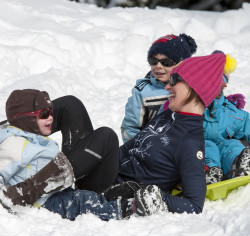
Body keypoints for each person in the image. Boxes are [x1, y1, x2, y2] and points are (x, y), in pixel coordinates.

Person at [0, 52, 236, 220]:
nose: (167, 86)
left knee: (106, 136)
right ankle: (9, 134)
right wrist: (91, 158)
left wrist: (155, 196)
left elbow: (194, 205)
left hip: (106, 188)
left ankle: (27, 192)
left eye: (175, 81)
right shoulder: (169, 116)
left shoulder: (190, 143)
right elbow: (131, 148)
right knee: (70, 105)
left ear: (195, 88)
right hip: (95, 170)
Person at [0, 89, 166, 220]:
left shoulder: (28, 139)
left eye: (51, 111)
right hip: (44, 201)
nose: (51, 117)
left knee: (71, 103)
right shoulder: (14, 145)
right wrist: (12, 197)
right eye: (44, 114)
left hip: (54, 190)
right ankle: (126, 208)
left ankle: (109, 196)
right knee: (81, 202)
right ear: (26, 120)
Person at [121, 33, 197, 143]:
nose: (158, 66)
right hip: (151, 147)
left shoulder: (192, 88)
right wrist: (138, 149)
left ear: (181, 64)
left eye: (166, 62)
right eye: (153, 61)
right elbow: (130, 127)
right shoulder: (143, 91)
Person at [203, 71, 250, 181]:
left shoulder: (229, 111)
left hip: (221, 147)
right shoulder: (190, 106)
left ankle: (239, 164)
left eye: (221, 86)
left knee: (232, 145)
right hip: (198, 148)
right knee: (209, 148)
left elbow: (246, 124)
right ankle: (208, 173)